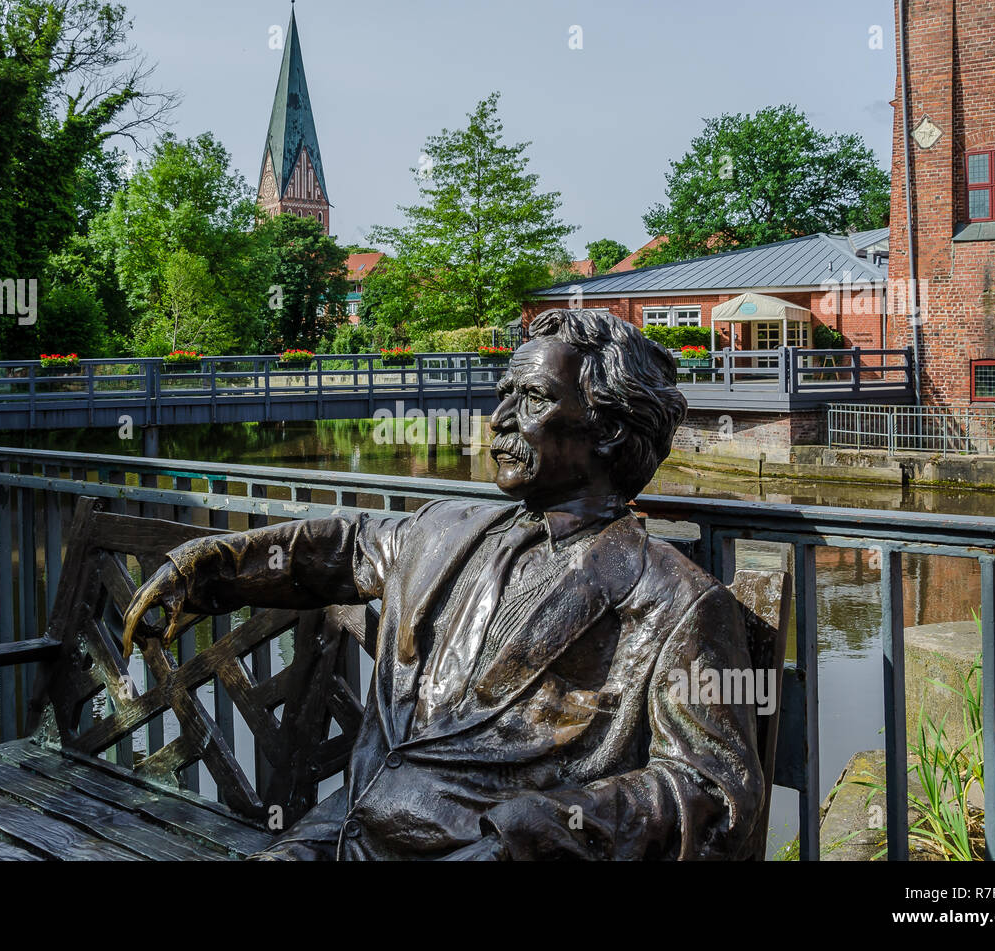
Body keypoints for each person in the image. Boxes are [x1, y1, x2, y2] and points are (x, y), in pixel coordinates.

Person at [122, 308, 764, 860]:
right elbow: (341, 548)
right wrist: (205, 569)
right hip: (343, 831)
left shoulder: (672, 599)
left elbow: (712, 792)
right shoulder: (445, 529)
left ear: (611, 429)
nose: (499, 419)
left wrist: (533, 833)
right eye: (503, 394)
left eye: (533, 400)